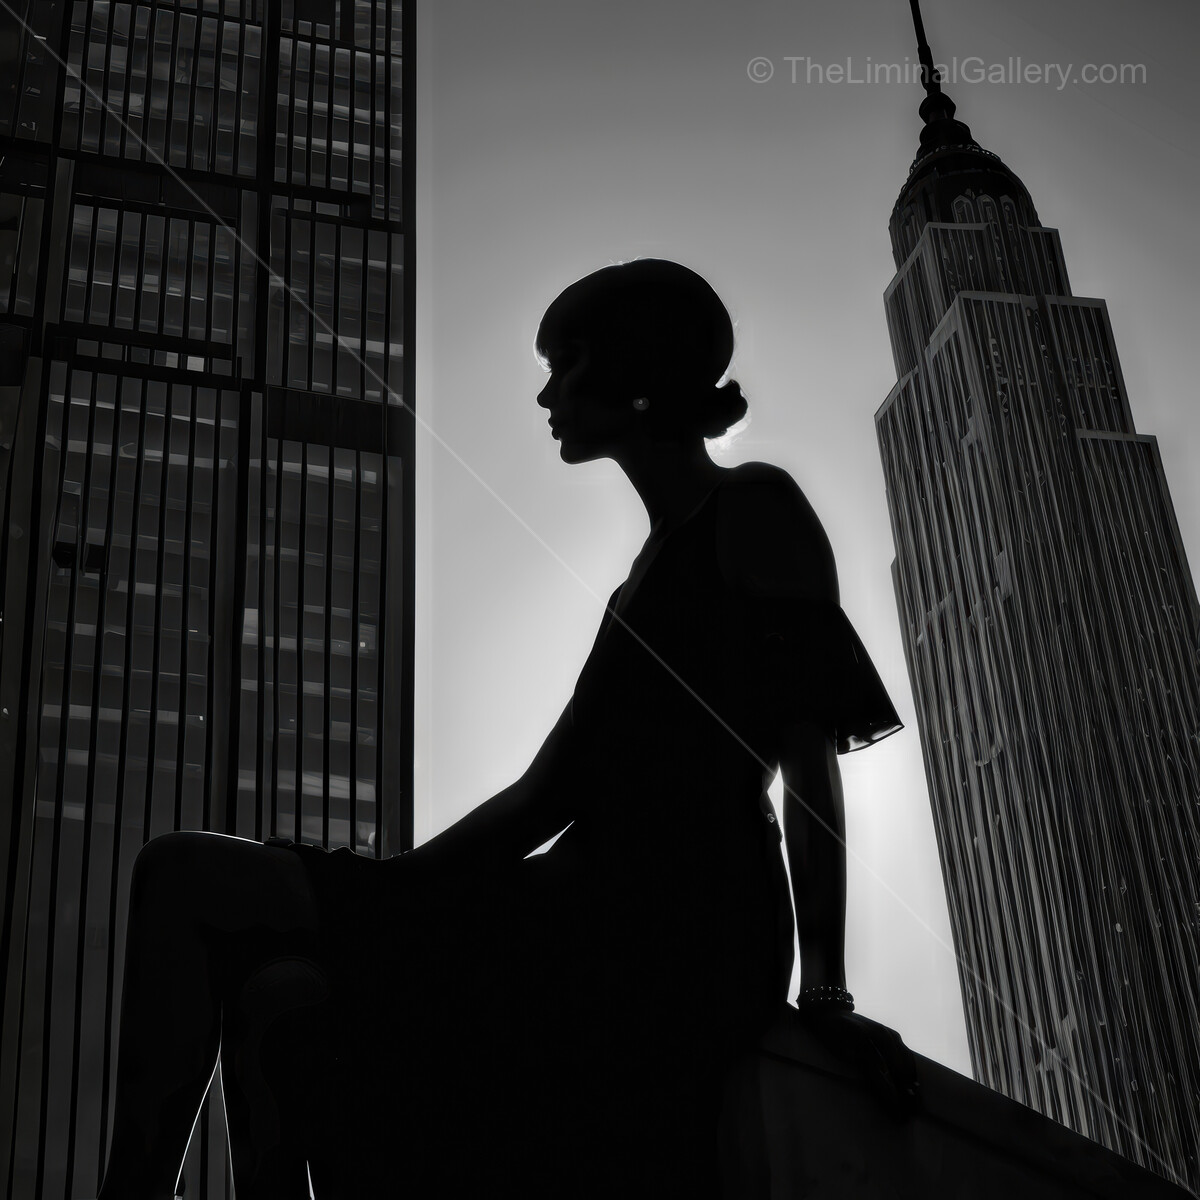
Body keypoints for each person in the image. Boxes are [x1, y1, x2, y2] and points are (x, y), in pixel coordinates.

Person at [97, 258, 916, 1200]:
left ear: (634, 371)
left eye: (564, 364)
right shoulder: (634, 586)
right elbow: (543, 797)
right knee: (278, 992)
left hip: (678, 927)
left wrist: (827, 994)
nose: (544, 392)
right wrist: (385, 893)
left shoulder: (755, 506)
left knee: (183, 871)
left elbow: (809, 761)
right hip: (573, 897)